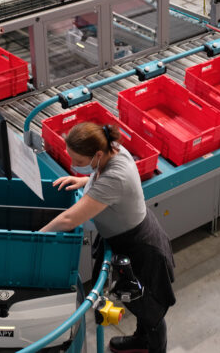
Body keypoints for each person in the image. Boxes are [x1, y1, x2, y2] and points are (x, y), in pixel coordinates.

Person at [40, 122, 175, 353]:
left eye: (80, 163)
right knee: (138, 304)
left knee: (148, 308)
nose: (74, 166)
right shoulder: (112, 150)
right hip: (127, 237)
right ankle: (141, 340)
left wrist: (37, 236)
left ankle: (154, 348)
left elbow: (69, 220)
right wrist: (85, 181)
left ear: (98, 154)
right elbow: (100, 177)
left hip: (140, 246)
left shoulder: (115, 177)